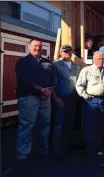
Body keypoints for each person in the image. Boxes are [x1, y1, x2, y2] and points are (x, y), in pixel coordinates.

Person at [15, 38, 56, 166]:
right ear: (29, 46)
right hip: (29, 98)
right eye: (35, 46)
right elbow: (25, 80)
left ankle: (43, 151)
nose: (38, 48)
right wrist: (41, 89)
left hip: (45, 99)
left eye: (39, 46)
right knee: (27, 126)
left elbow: (53, 79)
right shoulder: (22, 62)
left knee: (45, 125)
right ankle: (22, 154)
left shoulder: (48, 63)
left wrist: (49, 91)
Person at [76, 51, 104, 156]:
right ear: (94, 59)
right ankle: (90, 148)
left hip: (103, 101)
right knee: (90, 125)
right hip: (91, 101)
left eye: (102, 58)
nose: (101, 60)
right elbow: (79, 85)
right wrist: (86, 96)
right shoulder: (86, 70)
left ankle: (98, 146)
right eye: (99, 58)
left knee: (100, 125)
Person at [52, 45, 82, 159]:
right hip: (60, 98)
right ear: (60, 53)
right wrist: (55, 98)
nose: (67, 53)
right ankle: (56, 150)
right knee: (58, 124)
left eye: (69, 51)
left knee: (69, 124)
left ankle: (66, 148)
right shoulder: (55, 65)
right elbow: (52, 84)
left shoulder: (76, 66)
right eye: (65, 51)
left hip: (73, 99)